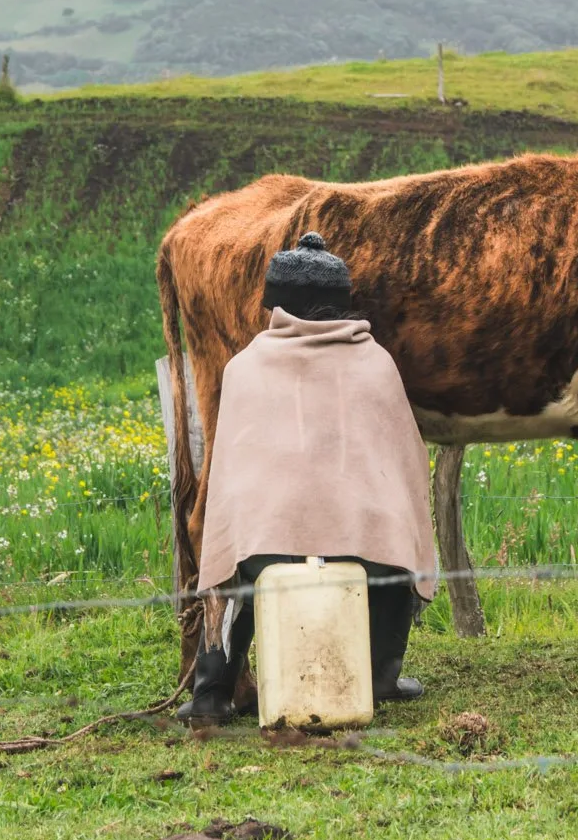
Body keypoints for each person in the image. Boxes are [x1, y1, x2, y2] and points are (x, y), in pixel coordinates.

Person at [183, 231, 437, 725]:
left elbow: (232, 487)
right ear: (340, 305)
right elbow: (406, 466)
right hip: (363, 550)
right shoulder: (375, 362)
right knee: (393, 540)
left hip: (266, 553)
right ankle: (380, 675)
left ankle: (212, 694)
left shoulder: (245, 368)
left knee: (239, 553)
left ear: (274, 305)